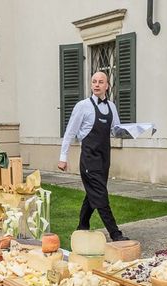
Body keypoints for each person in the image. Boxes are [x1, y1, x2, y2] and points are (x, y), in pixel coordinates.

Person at [58, 71, 128, 241]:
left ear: (107, 86)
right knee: (101, 195)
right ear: (91, 85)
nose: (97, 84)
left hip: (105, 159)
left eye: (101, 82)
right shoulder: (82, 106)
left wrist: (137, 129)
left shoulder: (111, 106)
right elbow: (70, 132)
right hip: (89, 159)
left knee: (93, 194)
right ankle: (115, 233)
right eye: (94, 81)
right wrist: (63, 157)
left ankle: (82, 227)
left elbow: (116, 130)